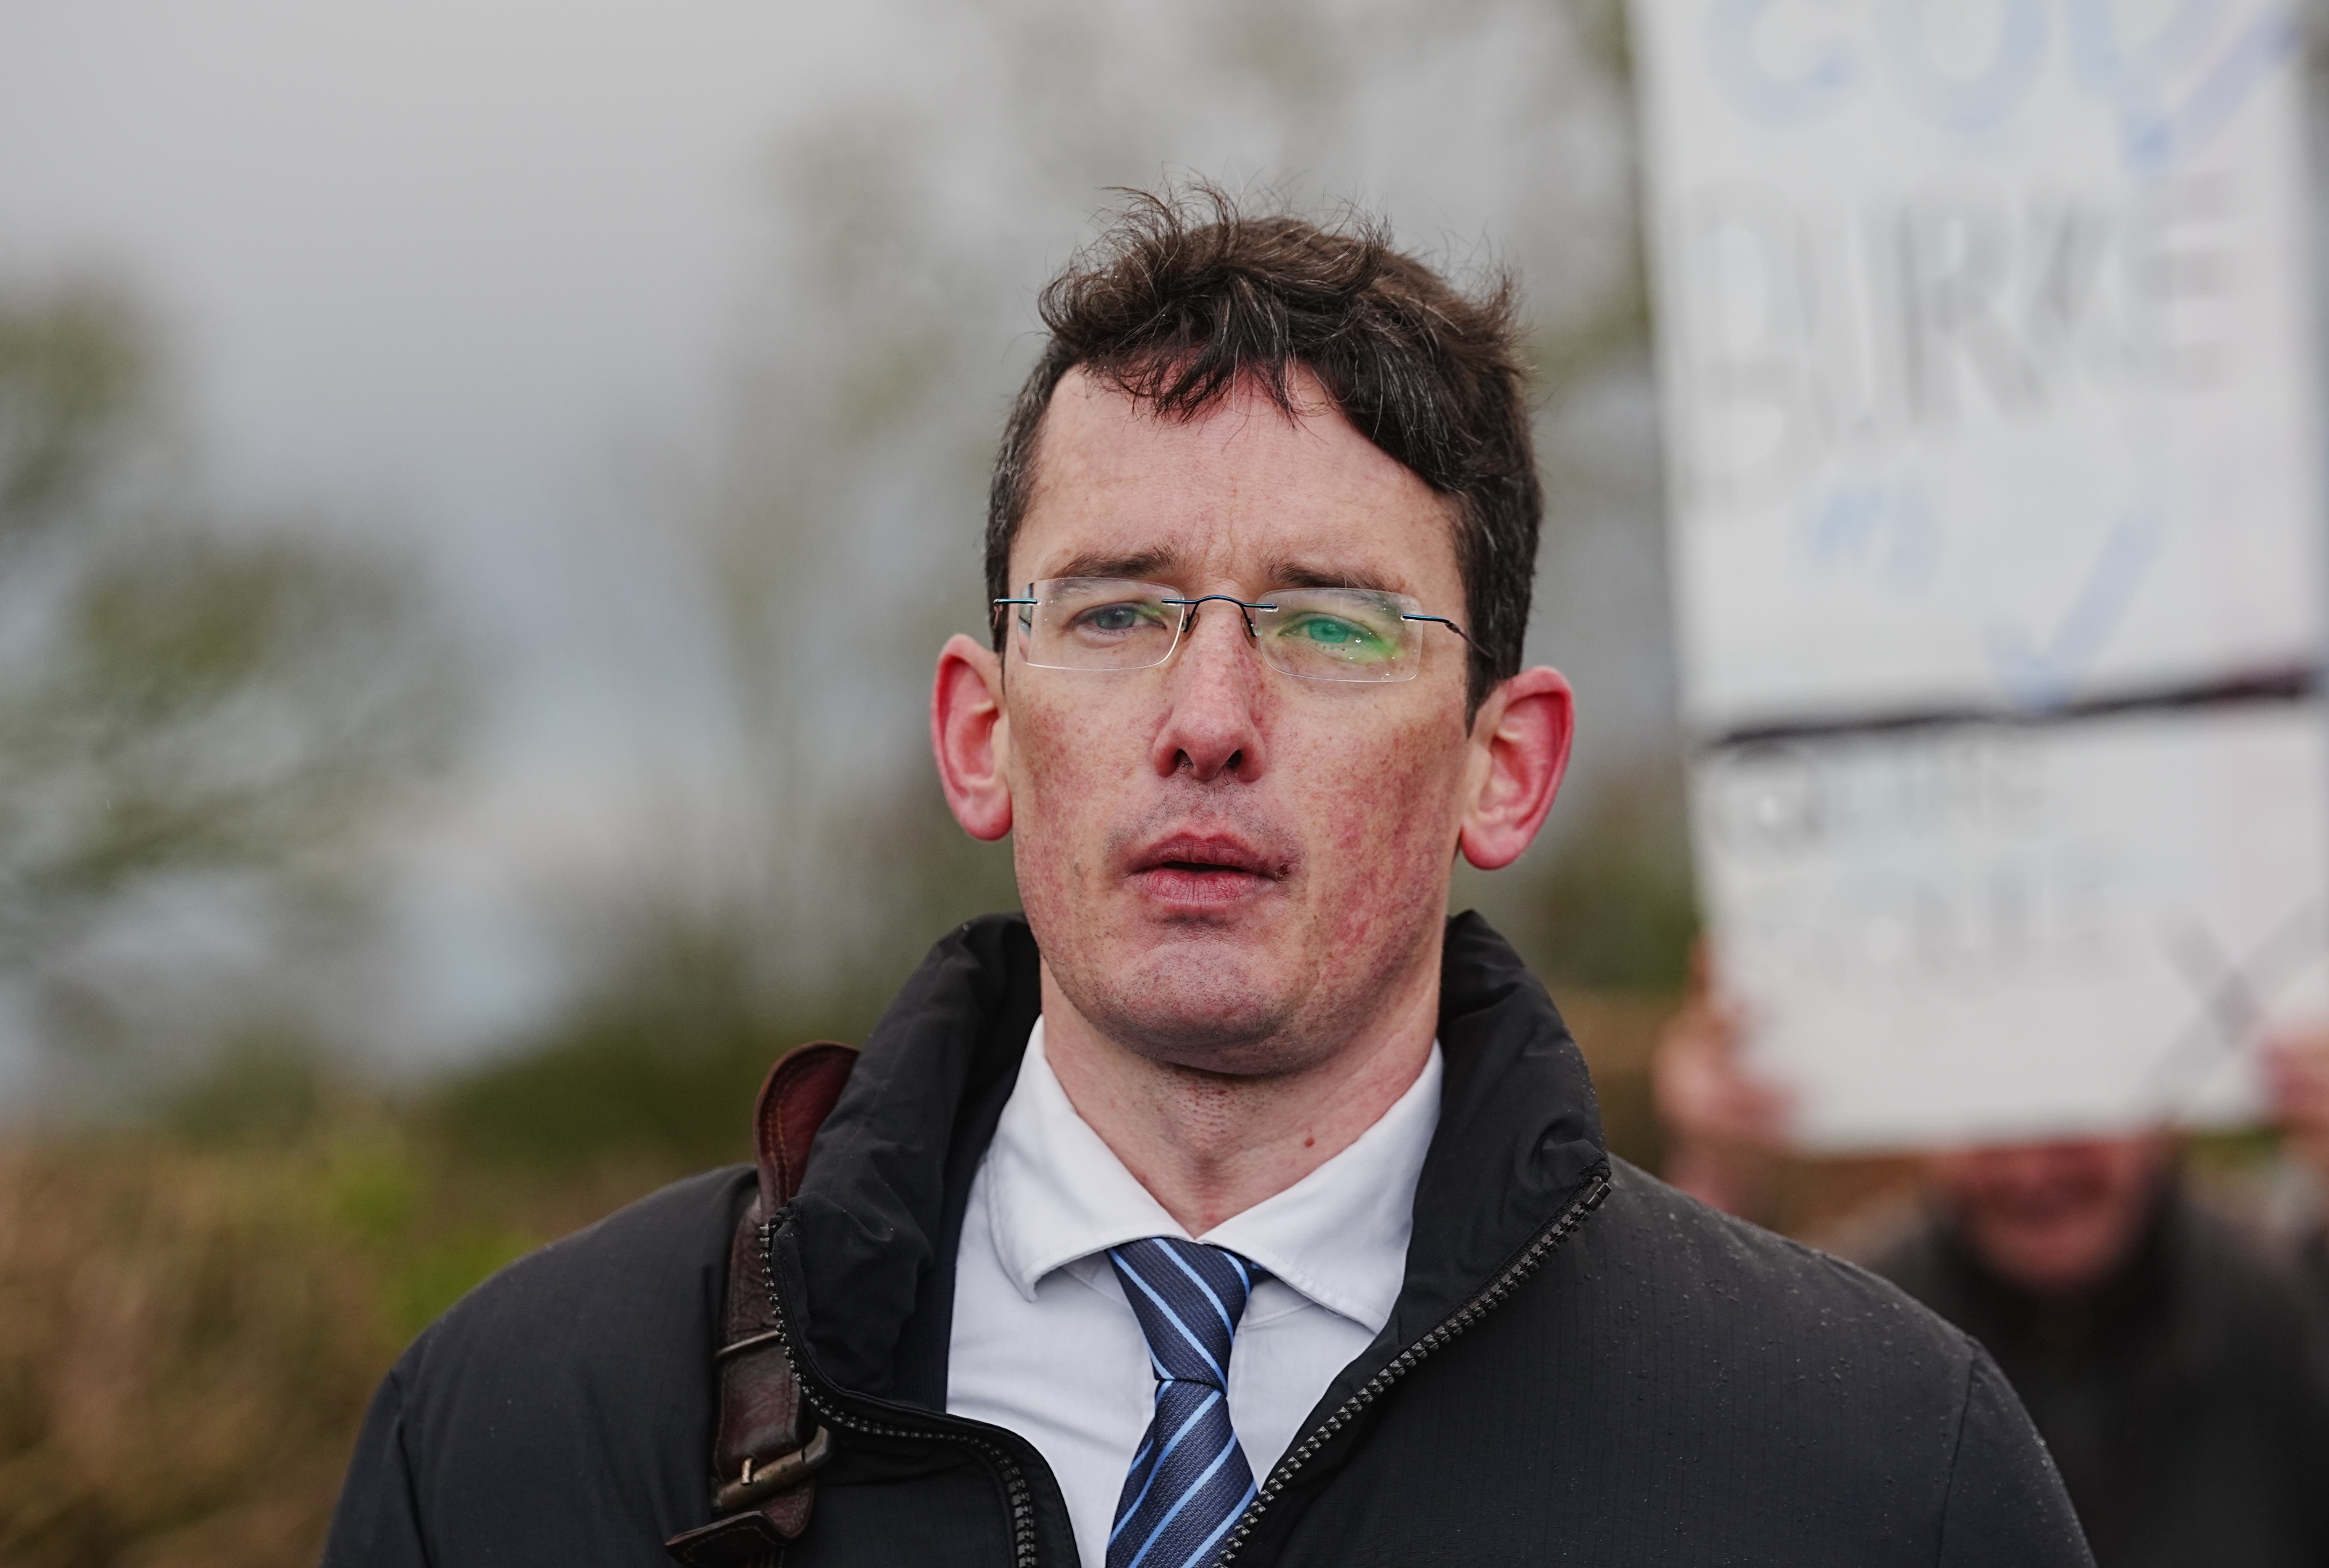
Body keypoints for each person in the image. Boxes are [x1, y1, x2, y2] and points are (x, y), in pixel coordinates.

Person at [323, 192, 2091, 1567]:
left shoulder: (1867, 1471)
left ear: (1507, 762)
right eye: (1115, 610)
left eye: (1332, 622)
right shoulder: (526, 1430)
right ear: (980, 728)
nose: (1208, 718)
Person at [1653, 970, 2329, 1568]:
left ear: (2166, 1111)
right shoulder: (1837, 1333)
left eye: (2073, 1110)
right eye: (1986, 1120)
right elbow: (1675, 1477)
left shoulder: (2286, 1315)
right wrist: (1715, 1189)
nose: (2032, 1171)